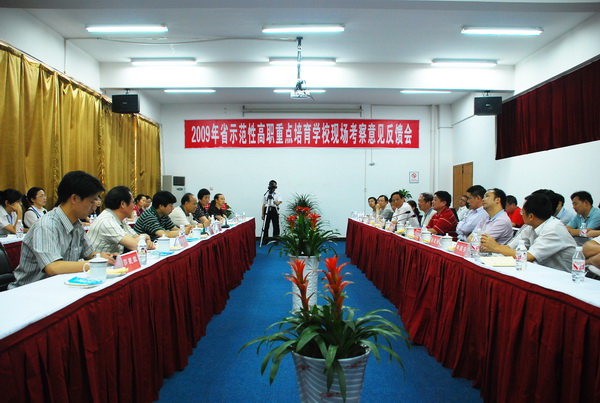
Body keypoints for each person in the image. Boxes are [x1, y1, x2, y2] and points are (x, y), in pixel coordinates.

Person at [8, 171, 115, 289]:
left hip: (59, 286)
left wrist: (101, 256)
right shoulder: (47, 225)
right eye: (91, 201)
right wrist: (95, 264)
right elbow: (53, 267)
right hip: (30, 290)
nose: (95, 205)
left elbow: (89, 253)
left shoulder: (76, 224)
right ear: (74, 198)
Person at [480, 192, 576, 272]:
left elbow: (528, 256)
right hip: (543, 272)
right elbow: (510, 247)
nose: (521, 215)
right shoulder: (530, 227)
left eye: (522, 212)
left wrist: (496, 247)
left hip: (565, 277)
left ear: (531, 216)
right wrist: (490, 247)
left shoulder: (553, 229)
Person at [87, 186, 154, 254]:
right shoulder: (107, 221)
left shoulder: (120, 219)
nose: (134, 206)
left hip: (113, 259)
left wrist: (145, 240)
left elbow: (135, 237)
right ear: (123, 204)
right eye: (132, 202)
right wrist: (145, 236)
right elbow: (136, 246)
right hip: (98, 260)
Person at [261, 180, 282, 245]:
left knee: (276, 225)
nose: (273, 187)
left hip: (274, 209)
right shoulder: (266, 194)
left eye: (275, 186)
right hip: (267, 209)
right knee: (266, 225)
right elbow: (264, 204)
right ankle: (265, 240)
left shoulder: (278, 193)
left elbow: (280, 201)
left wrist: (276, 202)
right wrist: (262, 214)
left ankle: (276, 239)